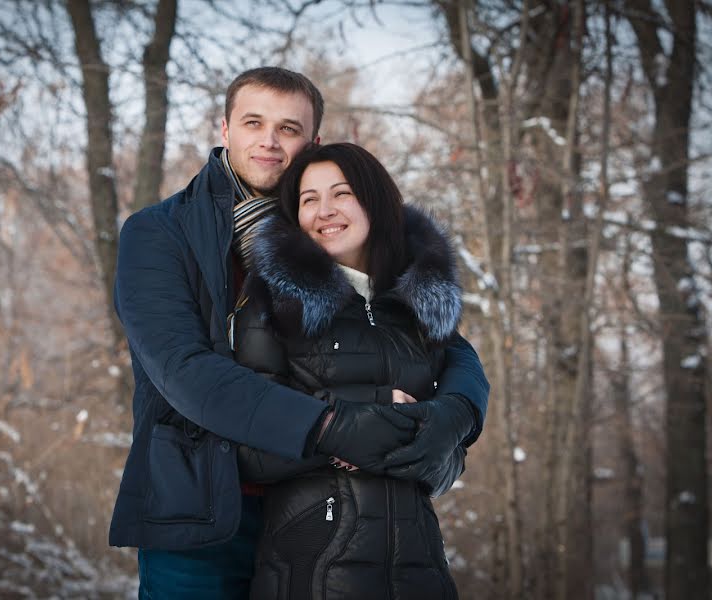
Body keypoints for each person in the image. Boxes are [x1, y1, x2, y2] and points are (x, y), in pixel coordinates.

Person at [109, 67, 489, 600]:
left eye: (288, 128)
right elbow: (184, 370)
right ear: (225, 129)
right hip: (203, 505)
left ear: (311, 141)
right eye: (253, 122)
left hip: (311, 506)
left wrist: (459, 412)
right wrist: (336, 426)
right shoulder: (160, 232)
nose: (268, 140)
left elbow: (437, 338)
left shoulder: (325, 226)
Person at [232, 142, 474, 599]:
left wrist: (433, 449)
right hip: (314, 569)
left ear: (374, 202)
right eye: (309, 199)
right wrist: (371, 416)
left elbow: (449, 457)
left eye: (341, 193)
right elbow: (250, 447)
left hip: (420, 570)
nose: (325, 210)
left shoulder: (417, 309)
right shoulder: (272, 303)